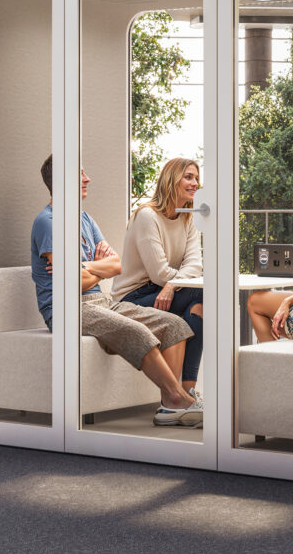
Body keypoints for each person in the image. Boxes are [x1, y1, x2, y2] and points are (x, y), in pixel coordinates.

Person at [30, 154, 202, 427]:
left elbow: (116, 265)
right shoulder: (48, 222)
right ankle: (177, 399)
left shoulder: (85, 219)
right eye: (80, 173)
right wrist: (98, 268)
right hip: (66, 309)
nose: (87, 179)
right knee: (138, 331)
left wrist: (85, 267)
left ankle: (170, 408)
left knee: (175, 326)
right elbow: (69, 284)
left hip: (102, 301)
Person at [112, 158, 204, 397]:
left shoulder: (188, 217)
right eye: (188, 177)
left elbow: (195, 265)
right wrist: (172, 282)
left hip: (165, 290)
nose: (195, 183)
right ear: (171, 180)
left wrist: (172, 285)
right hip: (133, 297)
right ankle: (176, 399)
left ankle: (186, 394)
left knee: (199, 306)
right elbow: (158, 272)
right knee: (201, 293)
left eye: (196, 178)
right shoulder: (147, 216)